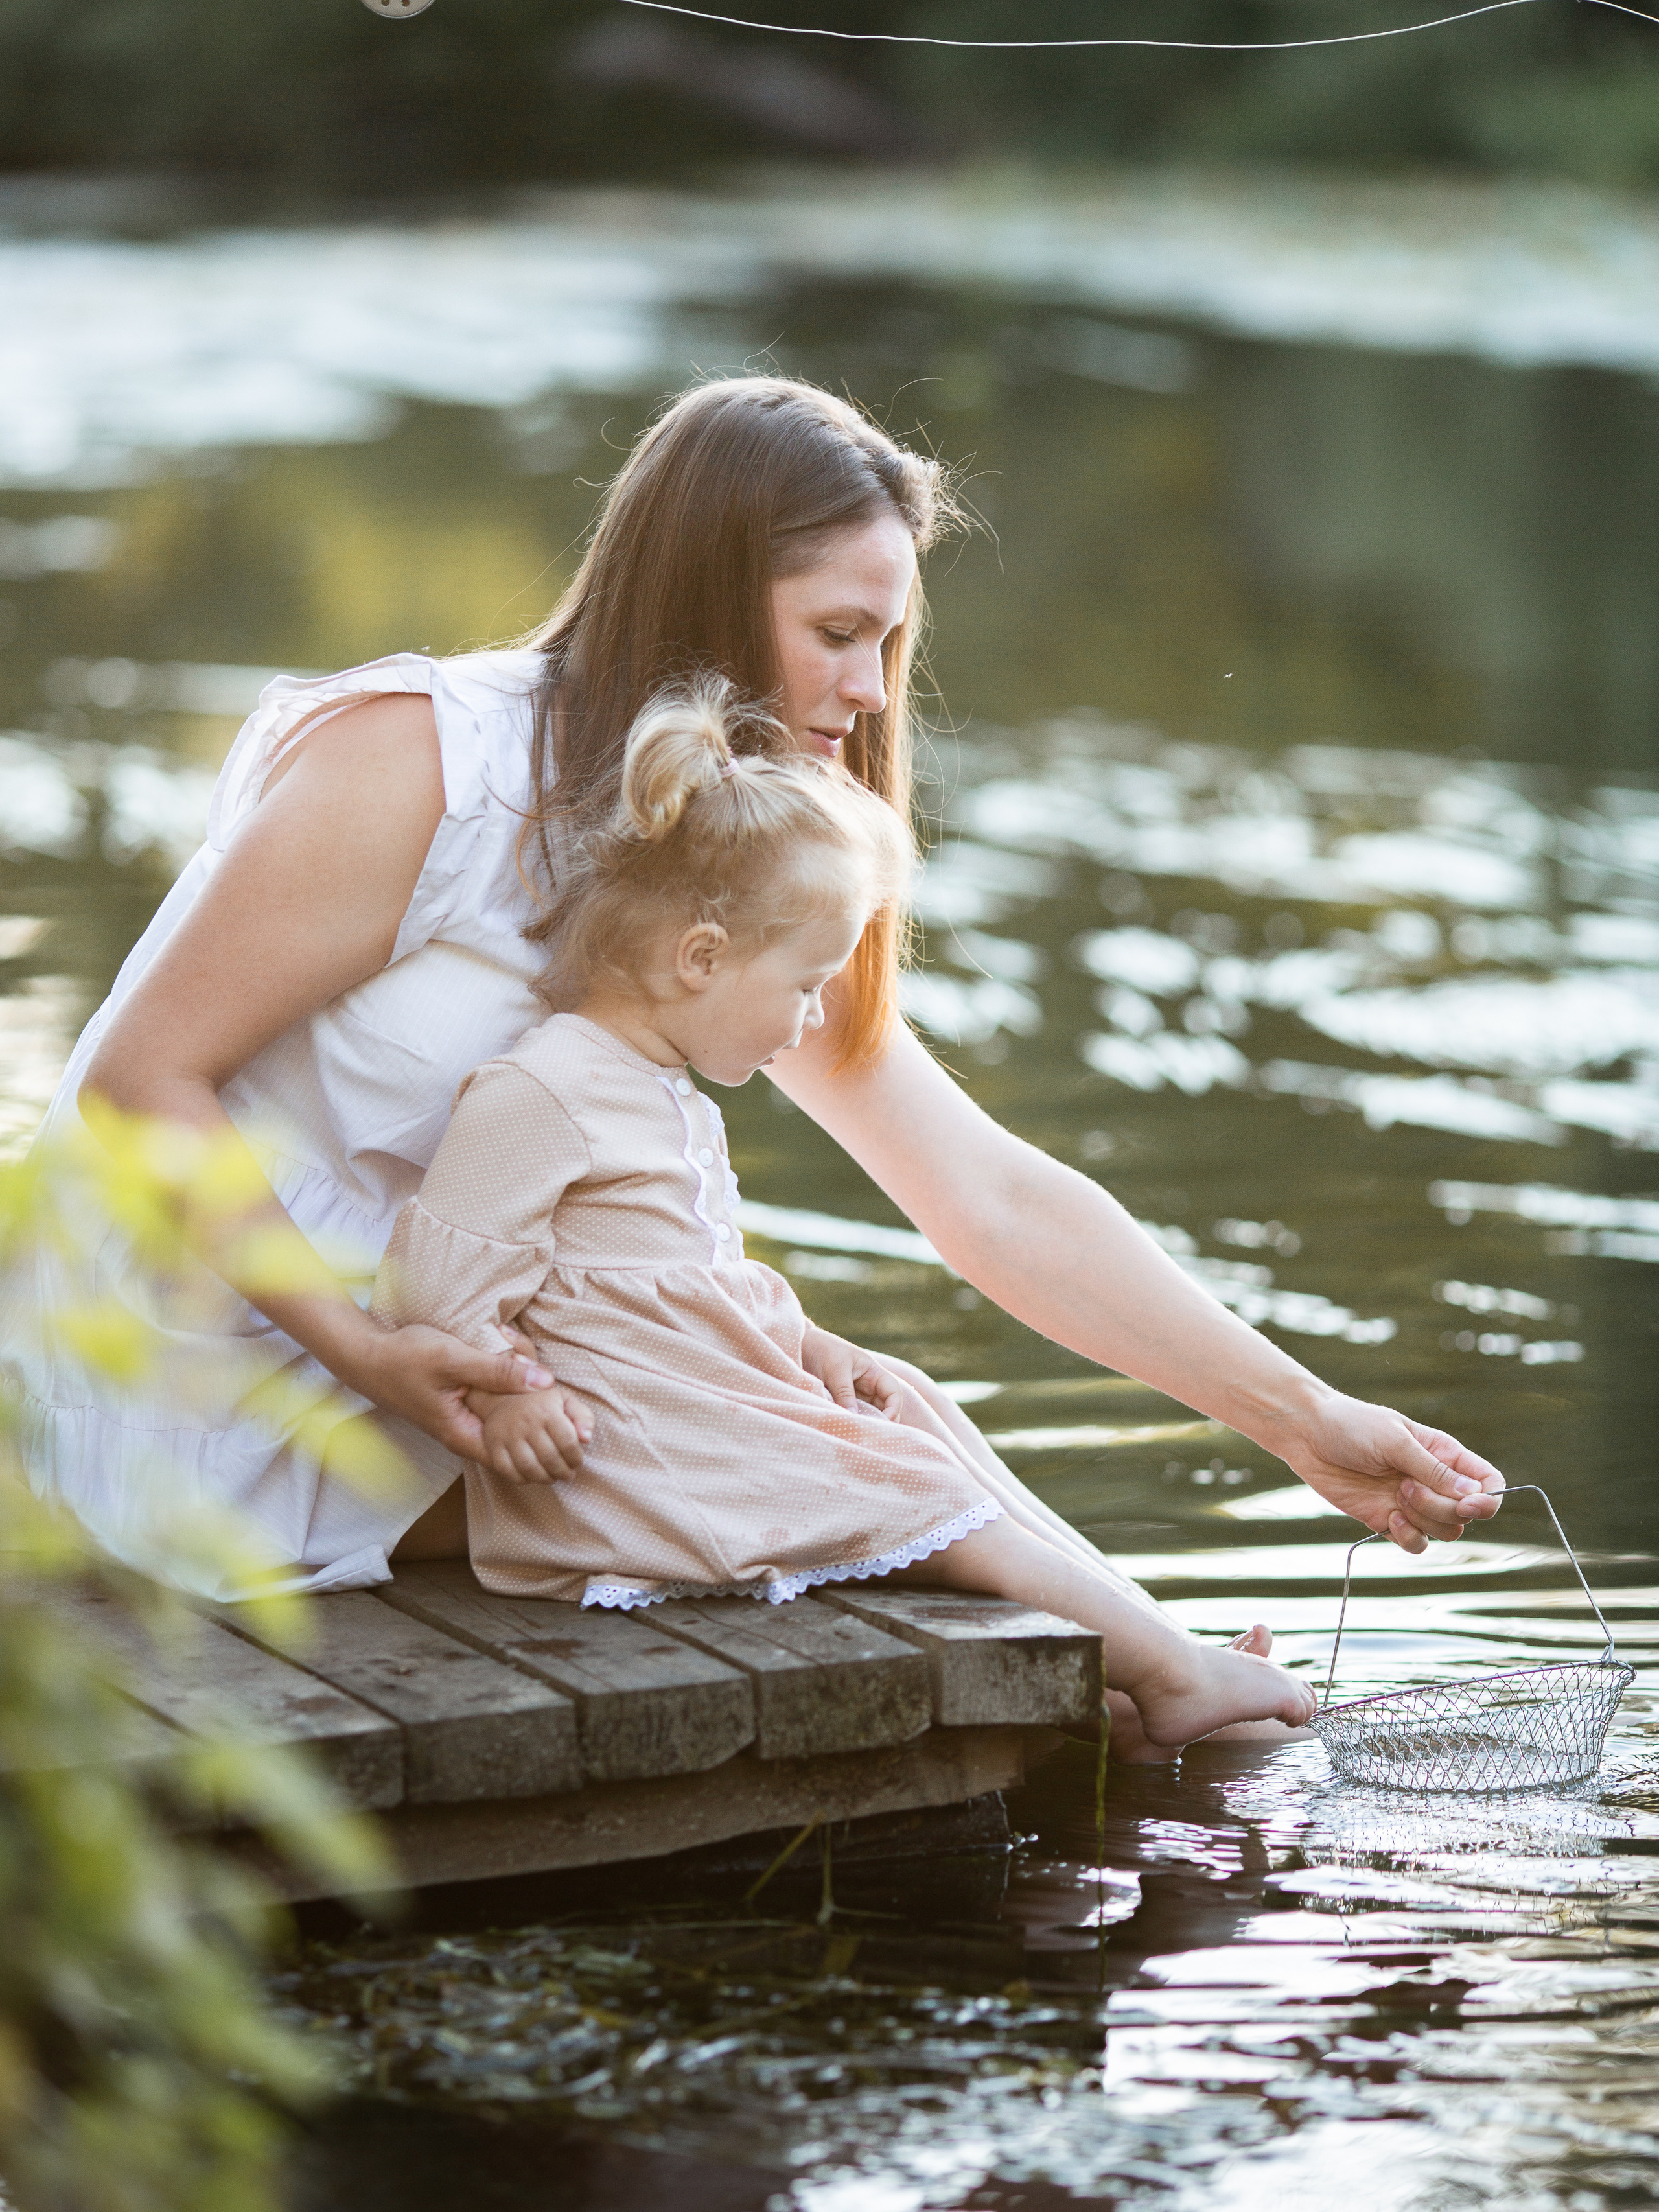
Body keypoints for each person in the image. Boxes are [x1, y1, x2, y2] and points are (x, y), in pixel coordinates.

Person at [6, 373, 1502, 1603]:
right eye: (836, 635)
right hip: (204, 1380)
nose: (871, 689)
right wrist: (367, 1353)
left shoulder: (737, 856)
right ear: (705, 601)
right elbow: (138, 1081)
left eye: (888, 641)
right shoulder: (421, 761)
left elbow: (981, 1193)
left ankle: (1149, 1672)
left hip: (459, 1375)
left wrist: (1301, 1421)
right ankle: (1144, 1681)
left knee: (875, 1408)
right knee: (805, 1463)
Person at [369, 681, 1315, 1754]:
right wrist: (511, 1401)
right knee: (913, 1490)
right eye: (806, 983)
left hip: (689, 1423)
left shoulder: (660, 1090)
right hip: (622, 1462)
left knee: (910, 1409)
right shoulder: (542, 1090)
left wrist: (811, 1346)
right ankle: (1170, 1675)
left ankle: (1142, 1649)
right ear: (701, 958)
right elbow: (433, 1294)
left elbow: (680, 1290)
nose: (816, 1015)